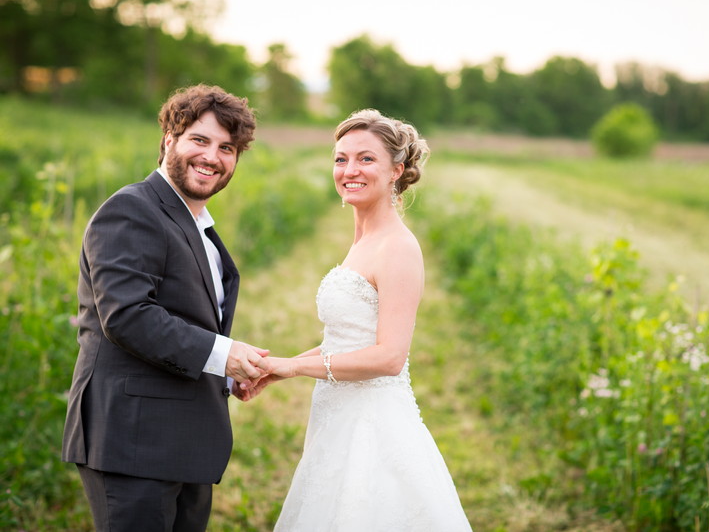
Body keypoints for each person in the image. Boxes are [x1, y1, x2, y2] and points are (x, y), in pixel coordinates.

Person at [62, 84, 269, 532]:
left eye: (227, 148)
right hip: (133, 440)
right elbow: (128, 315)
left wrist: (225, 372)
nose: (212, 157)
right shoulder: (132, 210)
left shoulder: (196, 223)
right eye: (200, 140)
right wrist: (222, 354)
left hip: (183, 439)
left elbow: (185, 317)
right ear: (168, 140)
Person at [256, 109, 472, 531]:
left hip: (373, 424)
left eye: (365, 159)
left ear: (397, 170)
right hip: (336, 415)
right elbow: (349, 342)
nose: (349, 170)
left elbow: (389, 357)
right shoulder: (363, 241)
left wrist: (297, 367)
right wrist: (278, 369)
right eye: (341, 159)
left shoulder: (398, 248)